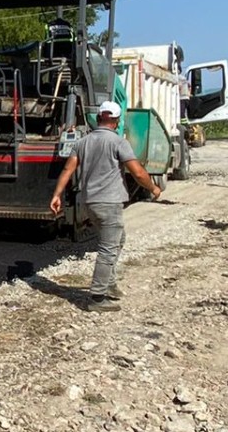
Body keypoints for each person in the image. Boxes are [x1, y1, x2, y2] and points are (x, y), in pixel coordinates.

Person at [48, 100, 163, 307]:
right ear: (117, 121)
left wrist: (56, 195)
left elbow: (68, 170)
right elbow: (137, 172)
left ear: (99, 117)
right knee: (108, 247)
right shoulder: (118, 142)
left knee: (118, 240)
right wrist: (154, 188)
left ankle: (108, 282)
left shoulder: (81, 143)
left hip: (89, 202)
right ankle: (97, 297)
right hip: (109, 201)